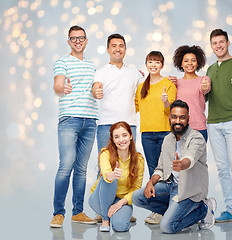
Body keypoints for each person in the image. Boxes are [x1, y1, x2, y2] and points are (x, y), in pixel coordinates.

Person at [132, 100, 216, 234]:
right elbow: (160, 168)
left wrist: (181, 164)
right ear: (170, 118)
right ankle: (174, 212)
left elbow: (190, 158)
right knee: (137, 197)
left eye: (182, 117)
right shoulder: (168, 139)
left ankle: (203, 209)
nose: (178, 121)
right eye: (174, 117)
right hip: (170, 185)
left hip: (189, 190)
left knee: (167, 227)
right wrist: (150, 182)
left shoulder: (197, 138)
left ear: (188, 118)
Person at [50, 25, 98, 228]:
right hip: (69, 118)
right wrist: (63, 88)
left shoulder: (93, 65)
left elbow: (100, 85)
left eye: (81, 38)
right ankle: (58, 213)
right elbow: (57, 86)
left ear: (86, 41)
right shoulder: (62, 61)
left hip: (90, 120)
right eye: (73, 38)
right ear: (68, 42)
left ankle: (77, 212)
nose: (78, 41)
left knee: (81, 169)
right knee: (65, 166)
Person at [206, 29, 232, 226]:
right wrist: (203, 89)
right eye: (215, 43)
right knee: (222, 169)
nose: (218, 46)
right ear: (211, 46)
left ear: (228, 42)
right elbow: (205, 95)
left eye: (221, 42)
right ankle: (230, 210)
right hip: (213, 123)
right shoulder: (210, 69)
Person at [135, 50, 176, 224]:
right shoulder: (141, 87)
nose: (153, 65)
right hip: (147, 134)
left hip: (166, 133)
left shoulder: (169, 83)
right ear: (146, 65)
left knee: (168, 172)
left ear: (162, 65)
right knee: (154, 172)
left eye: (157, 62)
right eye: (150, 62)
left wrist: (166, 101)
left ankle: (170, 207)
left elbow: (171, 110)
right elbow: (135, 107)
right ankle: (158, 210)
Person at [88, 121, 145, 232]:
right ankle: (105, 219)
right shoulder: (105, 154)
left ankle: (117, 216)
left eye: (124, 135)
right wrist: (112, 175)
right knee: (109, 179)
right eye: (116, 137)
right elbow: (106, 173)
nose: (121, 140)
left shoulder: (139, 159)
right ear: (113, 140)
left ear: (131, 136)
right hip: (99, 199)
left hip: (121, 199)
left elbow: (136, 188)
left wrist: (120, 203)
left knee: (120, 227)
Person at [92, 33, 143, 153]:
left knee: (130, 165)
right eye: (114, 46)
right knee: (104, 166)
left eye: (121, 46)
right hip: (106, 125)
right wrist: (96, 91)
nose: (118, 49)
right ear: (108, 50)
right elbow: (96, 86)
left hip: (129, 125)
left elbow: (149, 86)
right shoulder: (100, 72)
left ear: (125, 49)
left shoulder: (135, 73)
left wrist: (169, 81)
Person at [172, 45, 211, 142]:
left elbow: (205, 88)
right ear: (180, 64)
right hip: (180, 129)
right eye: (186, 61)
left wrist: (205, 87)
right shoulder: (176, 83)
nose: (190, 63)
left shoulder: (203, 80)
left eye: (193, 60)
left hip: (199, 129)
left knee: (198, 157)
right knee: (181, 157)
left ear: (198, 63)